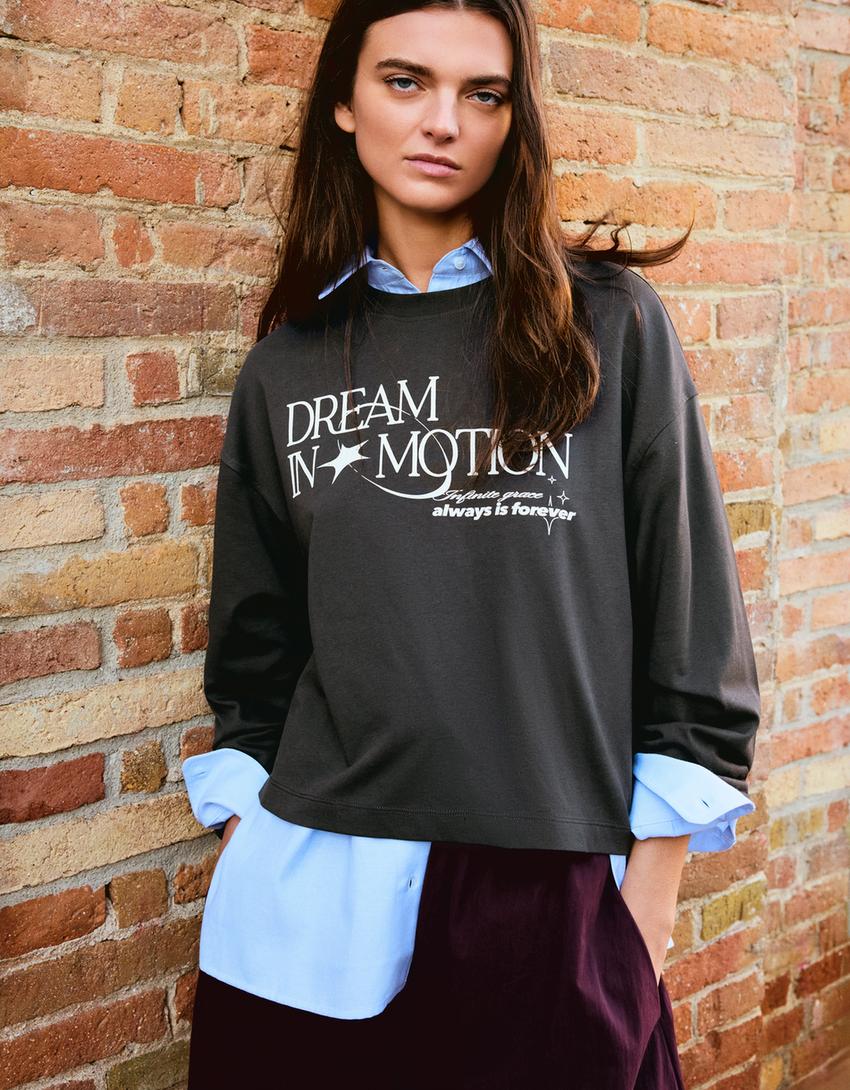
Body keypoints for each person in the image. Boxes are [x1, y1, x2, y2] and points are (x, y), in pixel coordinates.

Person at [182, 2, 761, 1087]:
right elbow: (252, 664)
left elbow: (696, 655)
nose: (442, 120)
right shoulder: (285, 367)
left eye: (482, 93)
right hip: (315, 901)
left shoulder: (609, 325)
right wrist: (247, 841)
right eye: (405, 81)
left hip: (549, 898)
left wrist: (638, 922)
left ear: (513, 119)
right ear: (344, 104)